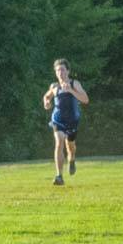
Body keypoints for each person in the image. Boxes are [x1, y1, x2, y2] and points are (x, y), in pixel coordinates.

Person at [42, 58, 88, 186]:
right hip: (58, 119)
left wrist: (71, 91)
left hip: (72, 121)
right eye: (57, 70)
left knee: (71, 147)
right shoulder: (54, 86)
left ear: (68, 71)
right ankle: (59, 176)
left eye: (62, 69)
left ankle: (72, 159)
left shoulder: (74, 84)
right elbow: (47, 96)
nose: (60, 72)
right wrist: (46, 102)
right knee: (59, 142)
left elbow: (85, 100)